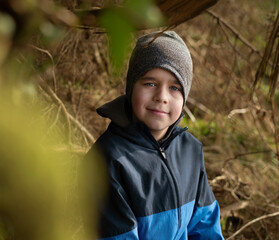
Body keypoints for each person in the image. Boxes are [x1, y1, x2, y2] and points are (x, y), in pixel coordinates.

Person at [85, 31, 224, 239]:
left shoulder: (190, 150)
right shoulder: (109, 159)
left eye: (175, 88)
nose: (162, 97)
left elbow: (205, 227)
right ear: (131, 88)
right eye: (150, 83)